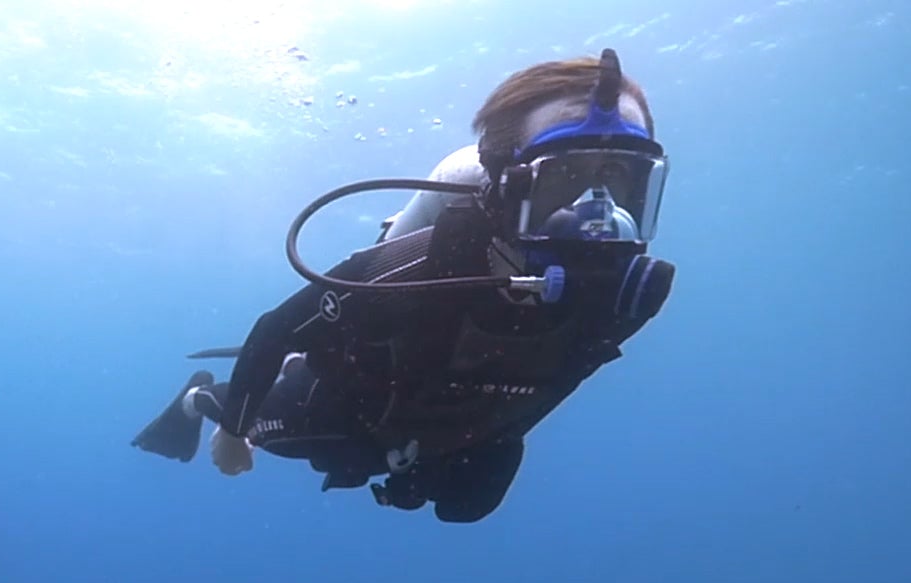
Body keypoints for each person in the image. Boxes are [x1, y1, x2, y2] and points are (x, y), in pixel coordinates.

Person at [133, 48, 675, 523]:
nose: (596, 215)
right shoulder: (410, 267)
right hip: (349, 407)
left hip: (456, 420)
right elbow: (276, 329)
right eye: (567, 179)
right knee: (301, 438)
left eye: (621, 179)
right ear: (506, 182)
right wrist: (231, 434)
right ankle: (198, 397)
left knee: (465, 508)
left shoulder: (630, 292)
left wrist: (467, 445)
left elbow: (561, 378)